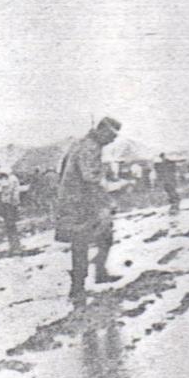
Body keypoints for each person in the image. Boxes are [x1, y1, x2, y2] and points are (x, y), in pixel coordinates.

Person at [56, 117, 123, 303]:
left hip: (79, 199)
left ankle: (99, 272)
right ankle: (77, 288)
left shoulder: (81, 144)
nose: (112, 140)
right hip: (79, 203)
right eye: (111, 136)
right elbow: (90, 178)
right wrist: (108, 200)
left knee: (104, 234)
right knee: (80, 242)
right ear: (101, 131)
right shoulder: (89, 147)